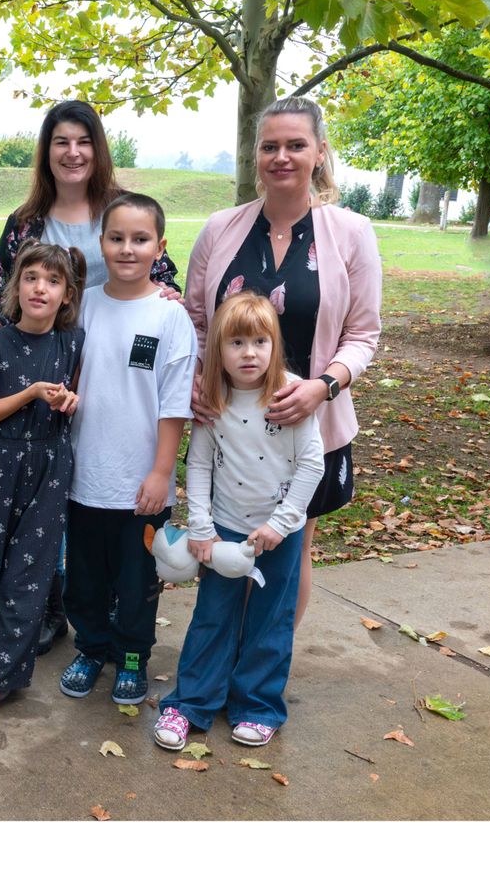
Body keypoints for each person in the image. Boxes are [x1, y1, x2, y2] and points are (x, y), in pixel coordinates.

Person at [0, 100, 181, 654]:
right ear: (47, 151)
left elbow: (164, 281)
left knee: (95, 504)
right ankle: (50, 609)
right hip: (44, 376)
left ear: (98, 148)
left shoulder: (121, 210)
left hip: (110, 376)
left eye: (83, 141)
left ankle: (114, 619)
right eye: (61, 142)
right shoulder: (26, 222)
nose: (72, 152)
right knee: (44, 504)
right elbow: (2, 294)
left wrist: (170, 298)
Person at [184, 96, 382, 627]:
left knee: (290, 549)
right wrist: (197, 377)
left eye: (296, 145)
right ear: (256, 155)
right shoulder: (220, 229)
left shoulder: (352, 232)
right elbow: (196, 320)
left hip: (308, 425)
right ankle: (222, 656)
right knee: (227, 543)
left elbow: (363, 334)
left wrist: (324, 387)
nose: (282, 157)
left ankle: (266, 663)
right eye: (270, 146)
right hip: (228, 426)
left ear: (319, 152)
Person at [153, 293, 325, 751]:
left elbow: (312, 465)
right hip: (225, 531)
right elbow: (199, 464)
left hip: (279, 534)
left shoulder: (290, 394)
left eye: (259, 342)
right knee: (212, 616)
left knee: (271, 621)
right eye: (236, 343)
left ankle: (257, 706)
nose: (249, 353)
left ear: (274, 346)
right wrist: (201, 526)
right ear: (218, 350)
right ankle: (191, 703)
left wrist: (282, 524)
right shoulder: (214, 399)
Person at [60, 193, 195, 706]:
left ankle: (133, 656)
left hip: (141, 482)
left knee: (137, 583)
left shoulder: (170, 316)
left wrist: (161, 473)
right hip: (84, 477)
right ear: (101, 243)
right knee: (85, 580)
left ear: (160, 247)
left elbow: (174, 404)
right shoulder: (84, 306)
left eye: (140, 239)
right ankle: (91, 648)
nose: (127, 249)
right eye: (116, 238)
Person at [0, 241, 85, 739]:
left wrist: (70, 400)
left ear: (66, 295)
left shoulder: (72, 343)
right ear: (17, 286)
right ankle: (8, 664)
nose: (40, 288)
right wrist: (31, 393)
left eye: (52, 281)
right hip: (3, 464)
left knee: (28, 570)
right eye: (31, 277)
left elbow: (80, 396)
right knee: (1, 567)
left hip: (51, 463)